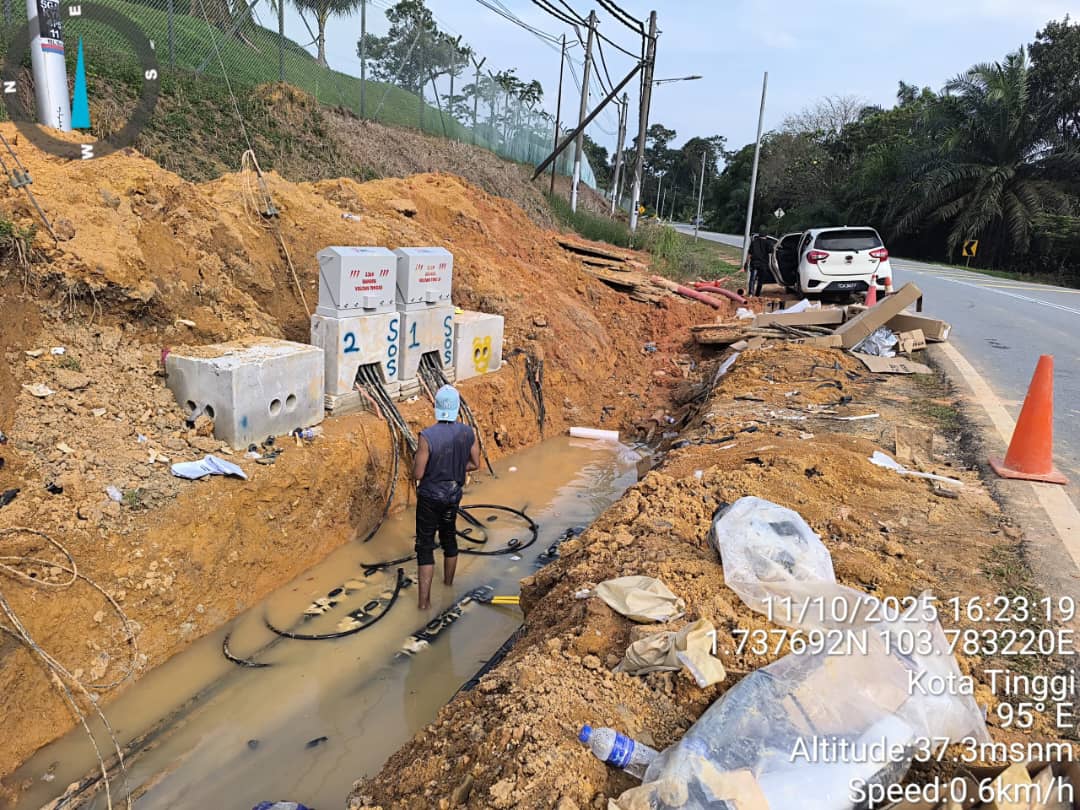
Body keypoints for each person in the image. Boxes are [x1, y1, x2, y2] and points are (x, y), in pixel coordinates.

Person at [412, 385, 480, 609]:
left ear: (437, 408)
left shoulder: (427, 436)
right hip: (453, 495)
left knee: (425, 546)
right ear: (457, 409)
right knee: (449, 538)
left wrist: (433, 470)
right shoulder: (469, 433)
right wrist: (455, 471)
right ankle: (448, 586)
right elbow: (474, 464)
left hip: (430, 497)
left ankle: (424, 604)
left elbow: (418, 473)